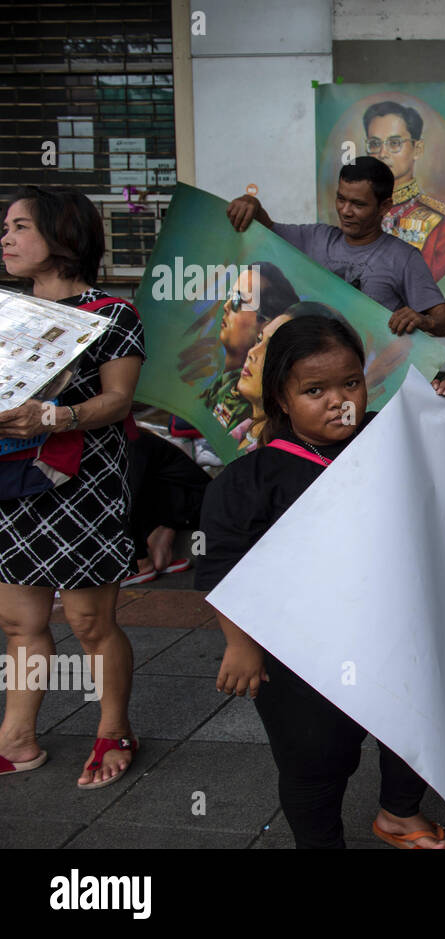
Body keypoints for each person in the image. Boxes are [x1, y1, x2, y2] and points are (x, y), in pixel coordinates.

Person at [196, 315, 445, 849]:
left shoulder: (390, 440)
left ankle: (398, 813)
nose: (338, 400)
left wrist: (443, 413)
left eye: (350, 383)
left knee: (413, 728)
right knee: (318, 760)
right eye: (314, 390)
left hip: (392, 635)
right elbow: (223, 566)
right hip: (299, 659)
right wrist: (240, 645)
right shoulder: (250, 481)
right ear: (281, 398)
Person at [0, 186, 146, 788]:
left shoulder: (113, 314)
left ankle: (113, 729)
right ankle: (17, 736)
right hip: (12, 480)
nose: (6, 238)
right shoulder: (7, 309)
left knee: (89, 621)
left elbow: (118, 400)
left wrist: (55, 416)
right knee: (17, 622)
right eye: (5, 227)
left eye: (19, 226)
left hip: (83, 486)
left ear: (64, 236)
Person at [225, 156, 445, 337]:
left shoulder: (403, 258)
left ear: (384, 206)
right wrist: (252, 204)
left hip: (372, 381)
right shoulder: (316, 237)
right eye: (341, 199)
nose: (345, 211)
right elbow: (267, 230)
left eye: (357, 204)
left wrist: (425, 320)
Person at [363, 101, 445, 283]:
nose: (382, 153)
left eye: (394, 143)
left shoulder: (443, 222)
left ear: (417, 149)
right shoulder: (356, 213)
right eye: (374, 144)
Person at [194, 260, 298, 431]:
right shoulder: (223, 387)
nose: (226, 306)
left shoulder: (264, 411)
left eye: (237, 300)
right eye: (230, 296)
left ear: (267, 324)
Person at [230, 300, 339, 451]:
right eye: (259, 340)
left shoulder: (288, 454)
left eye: (271, 349)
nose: (252, 353)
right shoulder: (234, 423)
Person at [123, 429, 210, 586]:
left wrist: (138, 553)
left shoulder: (131, 440)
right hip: (176, 502)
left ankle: (141, 563)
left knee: (124, 495)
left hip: (196, 502)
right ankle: (158, 545)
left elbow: (129, 499)